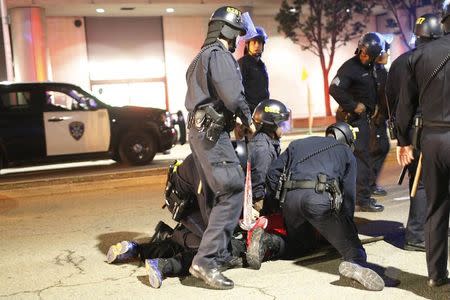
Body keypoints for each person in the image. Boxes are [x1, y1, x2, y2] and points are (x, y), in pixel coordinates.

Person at [247, 122, 385, 291]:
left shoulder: (298, 144)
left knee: (300, 246)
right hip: (318, 201)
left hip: (290, 201)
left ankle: (268, 242)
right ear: (347, 140)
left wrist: (279, 204)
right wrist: (347, 230)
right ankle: (356, 263)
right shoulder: (346, 153)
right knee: (354, 248)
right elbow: (348, 197)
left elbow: (272, 173)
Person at [184, 6, 256, 289]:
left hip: (200, 132)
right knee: (232, 188)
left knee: (215, 194)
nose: (238, 40)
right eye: (237, 33)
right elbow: (232, 94)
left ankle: (218, 253)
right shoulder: (219, 55)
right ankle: (206, 260)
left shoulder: (199, 58)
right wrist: (247, 118)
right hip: (212, 135)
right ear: (226, 30)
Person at [395, 2, 450, 287]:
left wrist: (403, 141)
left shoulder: (418, 56)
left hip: (431, 140)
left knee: (436, 207)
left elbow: (404, 105)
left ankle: (436, 275)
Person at [386, 14, 443, 252]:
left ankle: (426, 230)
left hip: (410, 130)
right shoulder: (436, 59)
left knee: (420, 182)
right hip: (430, 129)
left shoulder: (400, 61)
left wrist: (401, 136)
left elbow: (390, 97)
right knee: (427, 184)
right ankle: (417, 234)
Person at [329, 32, 385, 212]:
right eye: (362, 51)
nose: (363, 55)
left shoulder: (371, 67)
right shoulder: (350, 68)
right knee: (362, 159)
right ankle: (363, 199)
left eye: (368, 53)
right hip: (352, 120)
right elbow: (334, 88)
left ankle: (354, 197)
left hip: (364, 120)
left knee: (360, 158)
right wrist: (354, 105)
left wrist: (373, 106)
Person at [369, 33, 392, 197]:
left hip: (380, 119)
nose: (388, 54)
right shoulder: (375, 72)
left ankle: (369, 184)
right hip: (373, 120)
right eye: (386, 51)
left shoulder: (380, 71)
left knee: (380, 148)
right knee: (377, 150)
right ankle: (368, 186)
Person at [238, 26, 270, 113]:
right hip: (247, 113)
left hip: (261, 111)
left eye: (259, 43)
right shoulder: (242, 63)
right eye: (254, 42)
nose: (257, 45)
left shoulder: (262, 65)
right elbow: (237, 90)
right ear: (247, 45)